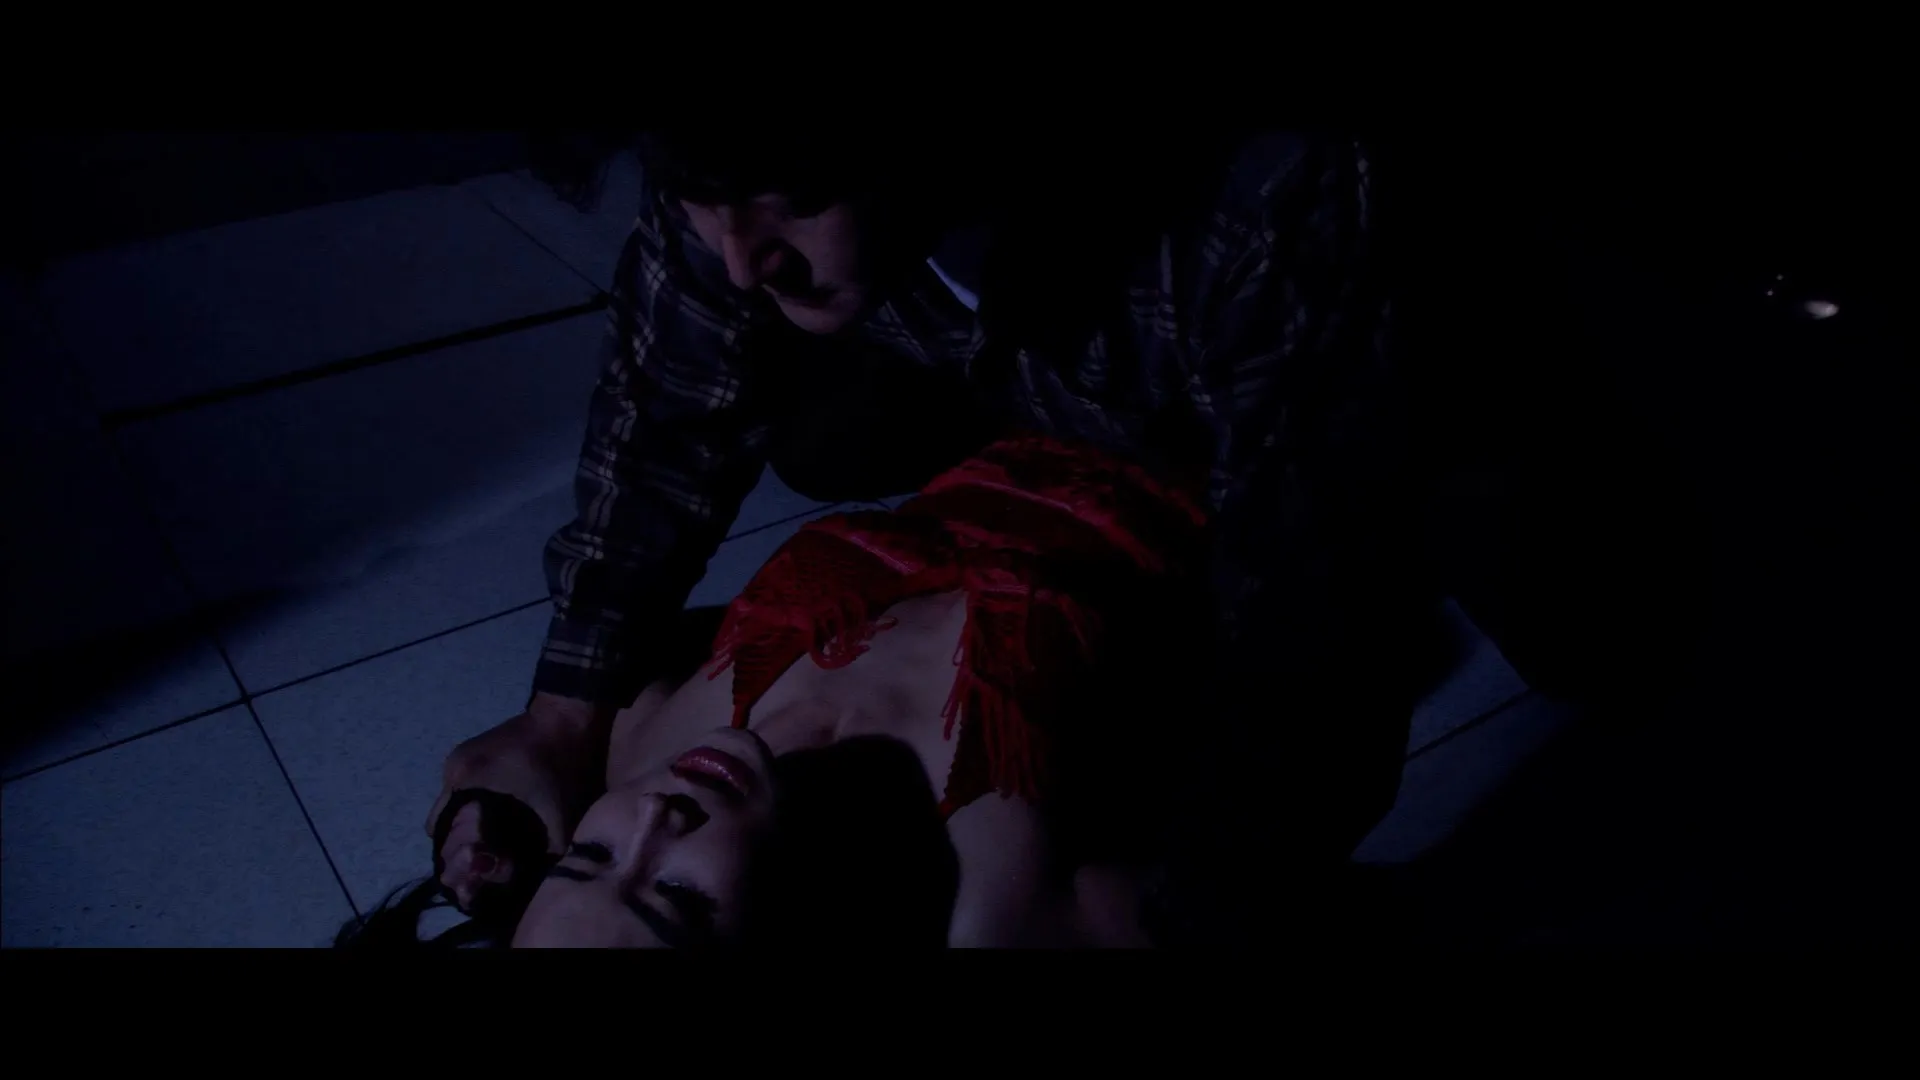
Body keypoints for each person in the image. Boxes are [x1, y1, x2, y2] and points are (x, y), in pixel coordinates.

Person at [419, 129, 1426, 944]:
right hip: (1116, 480)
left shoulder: (1259, 200)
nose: (737, 255)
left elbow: (1326, 615)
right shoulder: (732, 166)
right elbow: (665, 416)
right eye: (672, 896)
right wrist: (558, 719)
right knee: (815, 416)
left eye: (796, 195)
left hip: (1348, 373)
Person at [342, 434, 1215, 947]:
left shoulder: (638, 752)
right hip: (1238, 449)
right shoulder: (1000, 906)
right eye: (677, 898)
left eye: (591, 858)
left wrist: (543, 744)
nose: (655, 817)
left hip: (1041, 379)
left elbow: (657, 586)